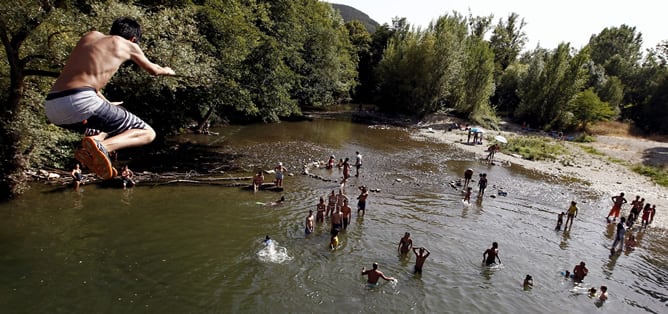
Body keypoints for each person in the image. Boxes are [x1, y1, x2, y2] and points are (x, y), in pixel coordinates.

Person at [45, 17, 175, 180]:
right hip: (81, 102)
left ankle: (91, 147)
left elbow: (83, 82)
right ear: (134, 39)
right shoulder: (128, 45)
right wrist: (167, 70)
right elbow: (154, 70)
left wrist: (107, 104)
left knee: (109, 119)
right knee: (147, 133)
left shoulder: (89, 36)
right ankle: (101, 147)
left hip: (52, 107)